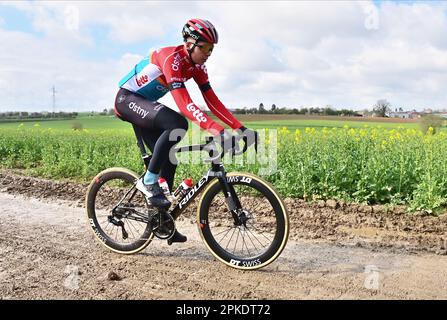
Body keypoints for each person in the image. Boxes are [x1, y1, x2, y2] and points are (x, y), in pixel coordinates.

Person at [114, 18, 257, 244]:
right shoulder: (172, 59)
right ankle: (148, 181)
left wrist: (240, 127)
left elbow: (211, 101)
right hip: (127, 99)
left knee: (169, 158)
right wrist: (216, 130)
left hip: (146, 105)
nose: (208, 53)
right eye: (205, 47)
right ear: (189, 43)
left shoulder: (197, 66)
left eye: (212, 48)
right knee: (177, 124)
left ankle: (162, 221)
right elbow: (184, 105)